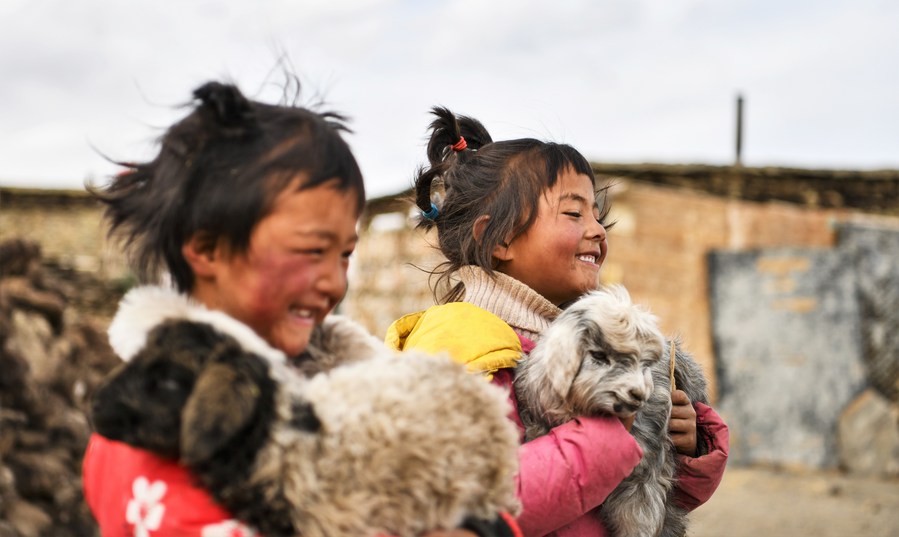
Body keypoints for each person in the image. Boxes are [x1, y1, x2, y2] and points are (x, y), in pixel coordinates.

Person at [82, 83, 518, 537]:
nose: (334, 283)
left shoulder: (352, 385)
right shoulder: (152, 419)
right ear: (207, 249)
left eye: (344, 255)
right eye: (312, 251)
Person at [385, 107, 730, 537]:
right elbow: (475, 501)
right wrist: (607, 441)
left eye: (598, 216)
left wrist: (681, 446)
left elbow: (642, 501)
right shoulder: (462, 344)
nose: (598, 230)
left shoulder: (584, 341)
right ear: (498, 238)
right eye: (573, 214)